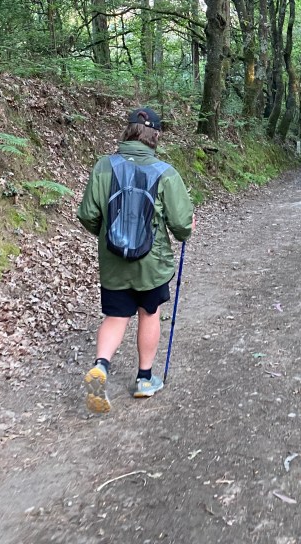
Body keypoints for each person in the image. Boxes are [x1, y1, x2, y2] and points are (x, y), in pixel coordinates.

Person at [77, 106, 194, 414]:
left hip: (114, 260)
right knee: (149, 313)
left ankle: (100, 367)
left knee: (116, 316)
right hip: (151, 263)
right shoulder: (165, 172)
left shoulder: (104, 167)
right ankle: (144, 379)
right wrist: (187, 229)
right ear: (155, 135)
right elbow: (181, 224)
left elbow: (88, 214)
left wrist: (108, 235)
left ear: (128, 131)